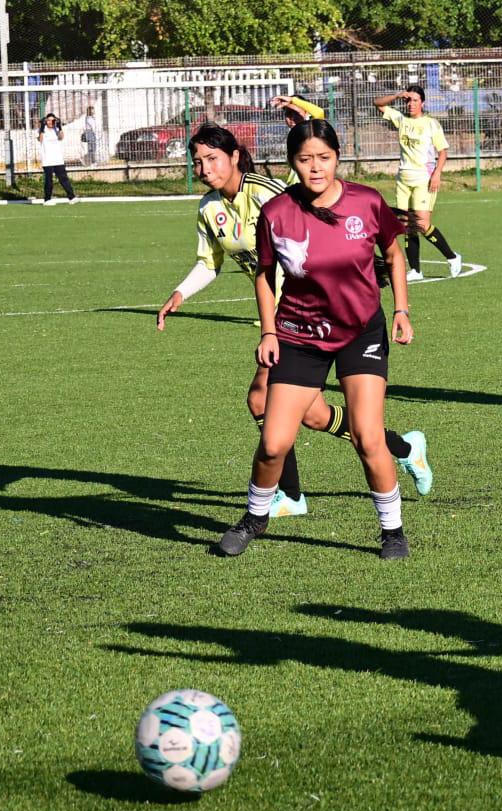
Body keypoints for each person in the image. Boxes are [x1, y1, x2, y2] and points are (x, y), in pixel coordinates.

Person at [155, 123, 432, 521]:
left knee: (260, 399)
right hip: (286, 322)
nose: (204, 168)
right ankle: (404, 448)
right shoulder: (209, 208)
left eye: (212, 158)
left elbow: (321, 226)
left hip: (312, 318)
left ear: (234, 156)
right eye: (197, 161)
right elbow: (209, 262)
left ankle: (293, 495)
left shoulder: (268, 194)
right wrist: (181, 293)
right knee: (312, 414)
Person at [216, 118, 416, 560]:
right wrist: (269, 331)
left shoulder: (366, 202)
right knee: (273, 443)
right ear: (293, 163)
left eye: (323, 158)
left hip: (360, 331)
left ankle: (392, 531)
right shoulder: (277, 213)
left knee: (367, 437)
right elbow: (265, 276)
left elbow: (394, 254)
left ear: (337, 158)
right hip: (299, 334)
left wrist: (401, 309)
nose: (315, 168)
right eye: (305, 160)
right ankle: (255, 517)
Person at [372, 86, 462, 280]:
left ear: (423, 103)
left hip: (423, 179)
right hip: (403, 180)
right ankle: (415, 270)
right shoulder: (401, 119)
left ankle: (452, 257)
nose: (411, 104)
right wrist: (397, 95)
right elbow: (377, 103)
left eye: (414, 100)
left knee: (421, 224)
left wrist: (437, 173)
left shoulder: (431, 123)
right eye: (408, 100)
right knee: (406, 225)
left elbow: (443, 152)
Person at [37, 113, 76, 204]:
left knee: (64, 179)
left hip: (58, 159)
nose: (51, 122)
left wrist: (60, 127)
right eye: (49, 120)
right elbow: (40, 139)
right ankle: (47, 199)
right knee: (49, 180)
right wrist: (42, 128)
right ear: (46, 121)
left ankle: (71, 197)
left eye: (53, 120)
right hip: (47, 160)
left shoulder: (56, 129)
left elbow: (61, 137)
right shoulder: (42, 130)